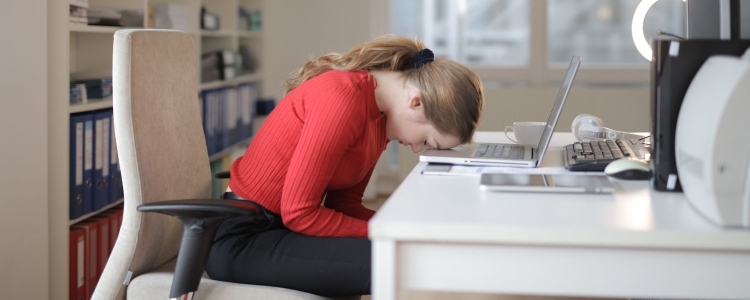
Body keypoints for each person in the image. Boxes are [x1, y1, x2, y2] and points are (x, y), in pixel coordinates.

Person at [205, 35, 484, 297]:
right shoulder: (343, 97)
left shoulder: (380, 120)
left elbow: (345, 204)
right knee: (396, 261)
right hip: (244, 239)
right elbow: (299, 213)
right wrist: (389, 232)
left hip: (281, 231)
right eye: (426, 140)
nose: (416, 148)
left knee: (398, 253)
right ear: (417, 102)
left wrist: (403, 227)